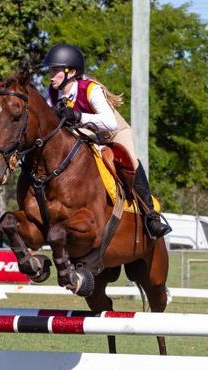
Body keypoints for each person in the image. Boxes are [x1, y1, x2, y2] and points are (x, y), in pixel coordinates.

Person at [42, 43, 171, 239]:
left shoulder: (90, 89)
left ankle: (151, 216)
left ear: (72, 72)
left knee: (131, 161)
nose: (51, 75)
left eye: (56, 70)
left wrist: (77, 116)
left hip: (113, 132)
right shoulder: (50, 93)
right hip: (85, 135)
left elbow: (109, 122)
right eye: (50, 70)